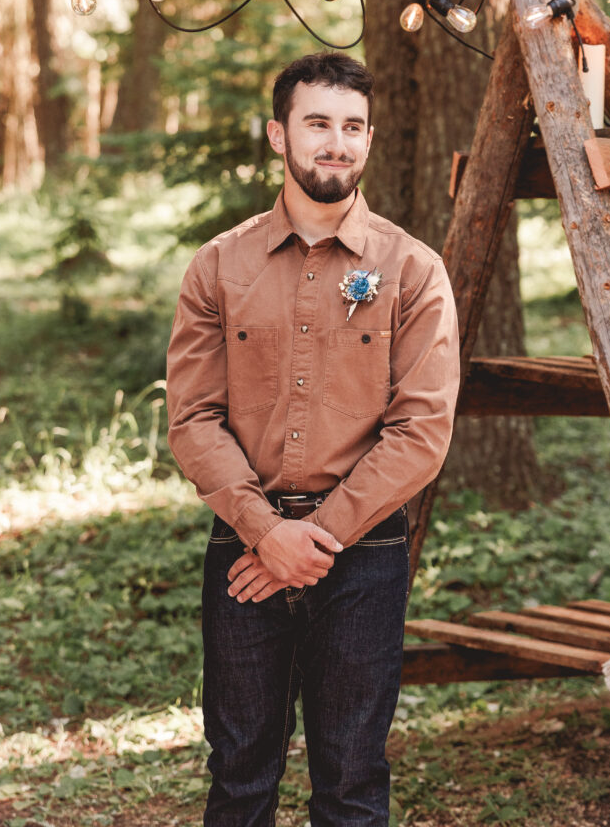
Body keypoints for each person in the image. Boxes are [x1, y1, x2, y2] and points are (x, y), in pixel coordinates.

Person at [166, 52, 460, 827]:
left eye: (353, 127)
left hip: (362, 553)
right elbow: (193, 418)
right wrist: (265, 534)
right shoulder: (217, 266)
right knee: (237, 772)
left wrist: (313, 538)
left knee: (353, 779)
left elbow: (421, 430)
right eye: (318, 123)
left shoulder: (413, 270)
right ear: (277, 134)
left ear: (369, 140)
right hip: (242, 546)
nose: (337, 143)